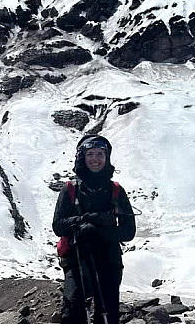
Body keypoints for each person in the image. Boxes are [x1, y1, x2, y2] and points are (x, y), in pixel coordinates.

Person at [53, 134, 136, 324]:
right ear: (82, 156)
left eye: (100, 154)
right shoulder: (70, 189)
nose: (95, 159)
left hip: (109, 260)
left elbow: (128, 231)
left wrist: (100, 230)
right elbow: (58, 225)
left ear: (107, 158)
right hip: (77, 259)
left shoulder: (116, 190)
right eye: (90, 154)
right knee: (73, 310)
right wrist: (82, 222)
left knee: (107, 312)